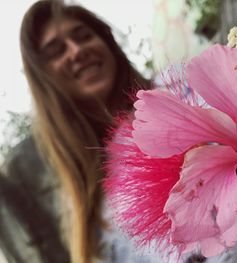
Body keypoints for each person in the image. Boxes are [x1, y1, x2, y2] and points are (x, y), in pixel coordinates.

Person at [0, 1, 151, 262]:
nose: (77, 50)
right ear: (44, 79)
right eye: (56, 51)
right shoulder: (82, 206)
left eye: (83, 36)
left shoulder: (182, 100)